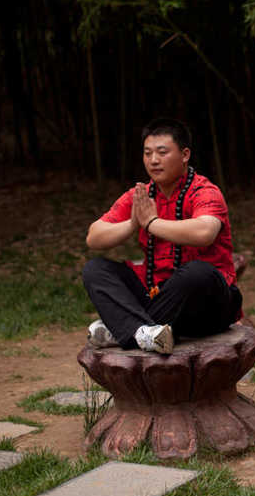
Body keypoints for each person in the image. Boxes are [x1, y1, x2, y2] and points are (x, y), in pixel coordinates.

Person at [81, 118, 242, 353]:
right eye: (147, 153)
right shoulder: (142, 196)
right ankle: (143, 333)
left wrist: (152, 223)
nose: (153, 160)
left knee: (197, 272)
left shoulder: (205, 191)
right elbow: (93, 237)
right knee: (95, 269)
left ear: (185, 154)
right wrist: (133, 223)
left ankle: (122, 329)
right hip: (158, 298)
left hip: (207, 305)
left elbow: (204, 232)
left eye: (162, 152)